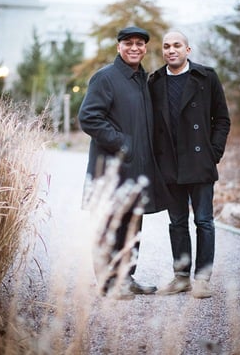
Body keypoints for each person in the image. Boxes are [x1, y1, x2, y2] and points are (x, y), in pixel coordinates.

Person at [78, 26, 163, 298]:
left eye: (140, 43)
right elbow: (89, 118)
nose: (134, 47)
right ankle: (109, 282)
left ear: (145, 48)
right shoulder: (105, 78)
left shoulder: (142, 80)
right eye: (129, 43)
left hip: (136, 169)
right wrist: (123, 143)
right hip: (111, 168)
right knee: (108, 226)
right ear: (119, 47)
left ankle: (127, 277)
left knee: (132, 225)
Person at [148, 31, 230, 298]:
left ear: (188, 49)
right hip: (169, 165)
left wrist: (213, 152)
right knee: (177, 223)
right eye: (166, 46)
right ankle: (181, 277)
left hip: (199, 162)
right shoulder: (155, 81)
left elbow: (222, 119)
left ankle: (203, 279)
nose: (171, 50)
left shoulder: (206, 77)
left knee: (204, 221)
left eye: (177, 46)